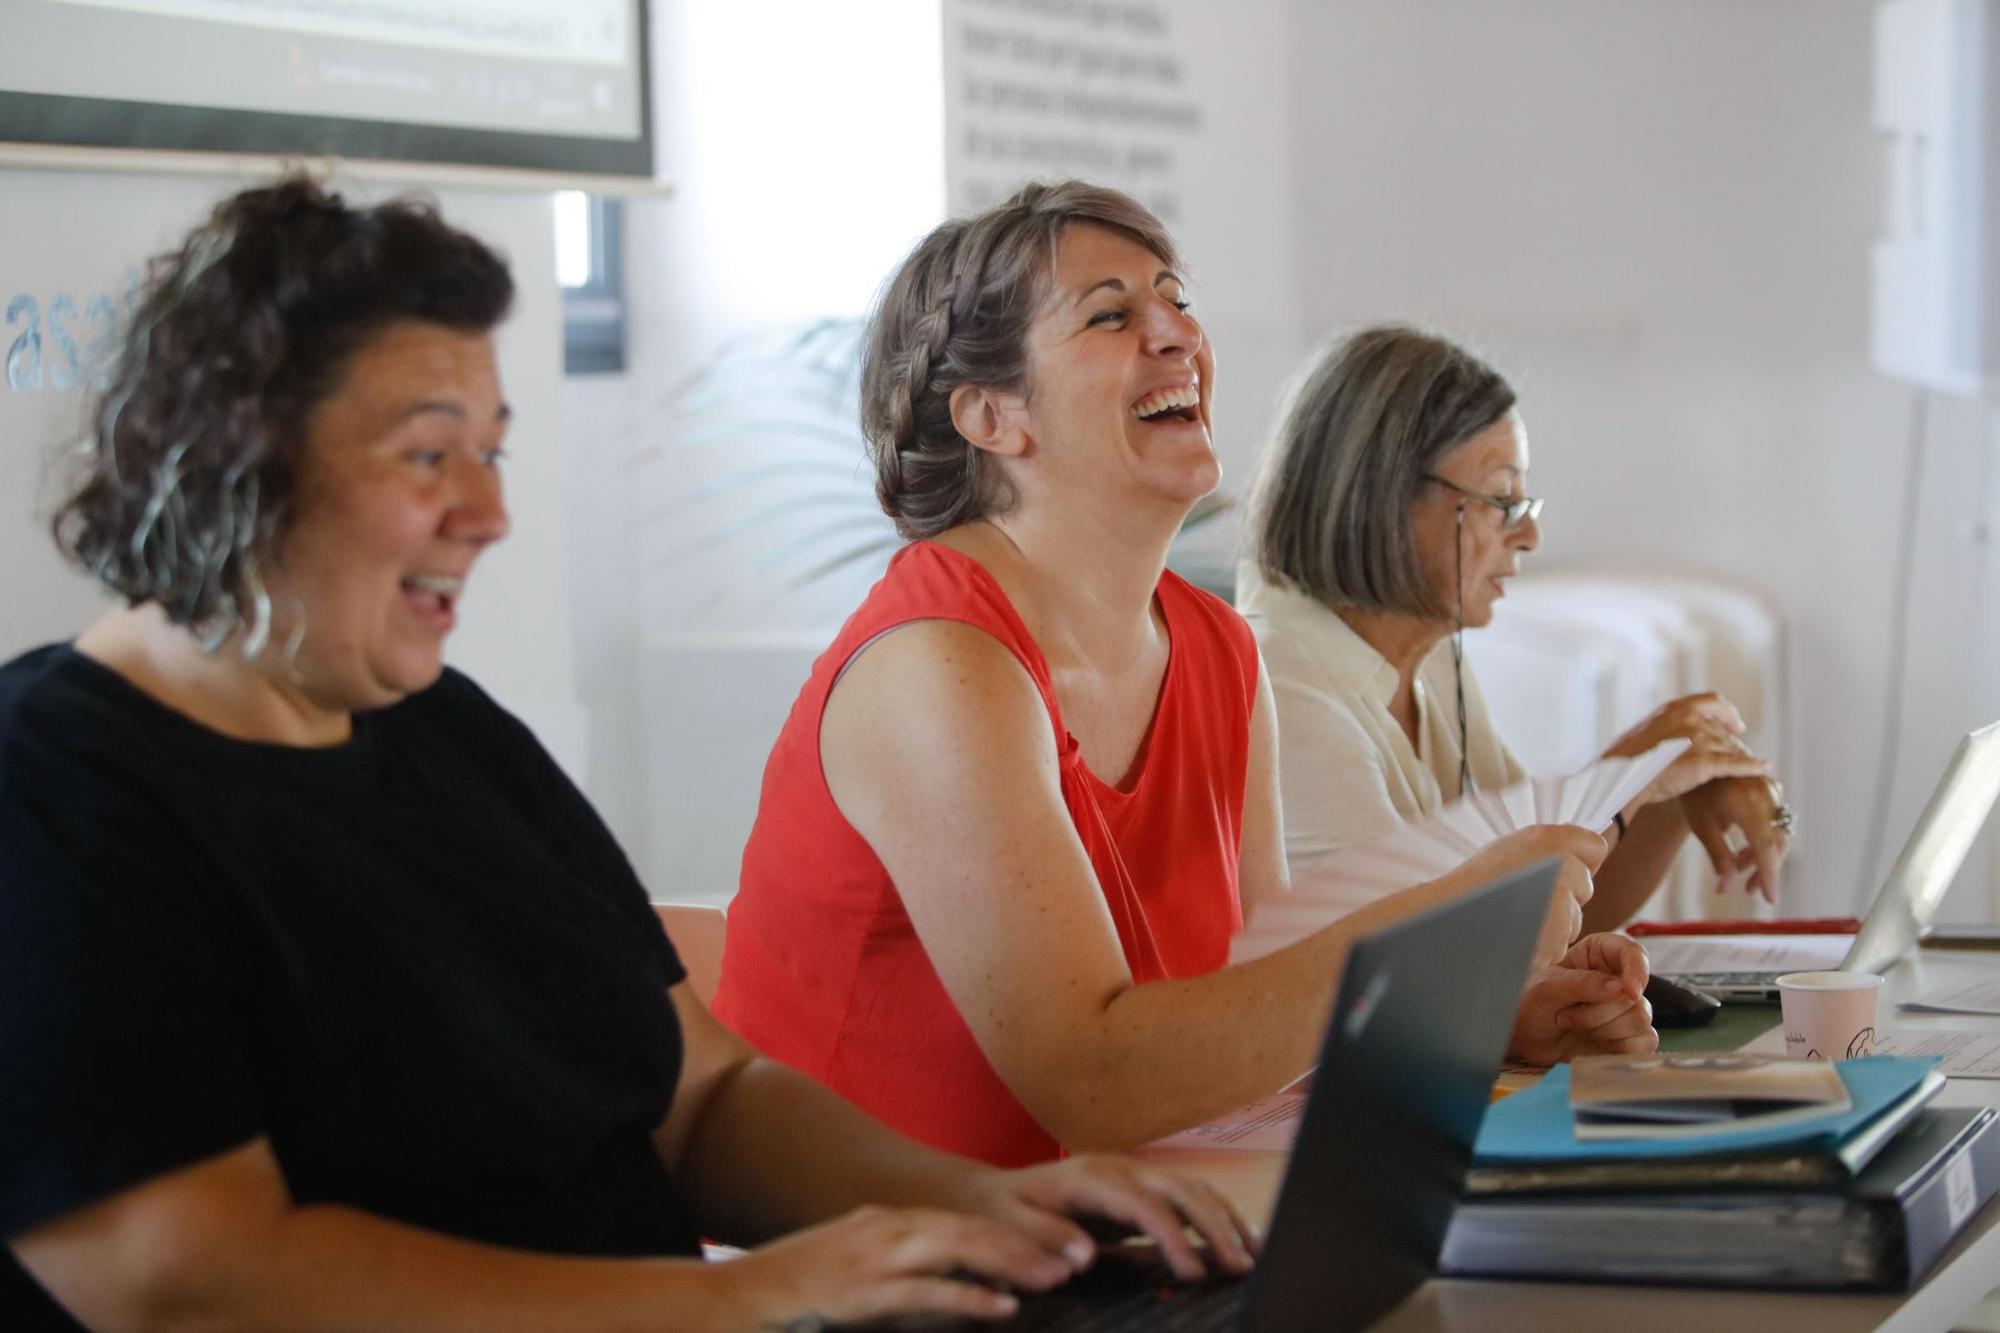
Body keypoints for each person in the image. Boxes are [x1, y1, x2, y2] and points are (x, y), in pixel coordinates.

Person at [0, 177, 1258, 1333]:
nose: (489, 514)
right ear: (239, 456)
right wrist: (743, 1297)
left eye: (490, 454)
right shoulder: (53, 789)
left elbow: (701, 1097)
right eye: (430, 455)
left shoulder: (445, 734)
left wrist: (980, 1210)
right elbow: (180, 1274)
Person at [712, 181, 1656, 1171]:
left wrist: (1479, 1019)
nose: (1176, 334)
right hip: (878, 1267)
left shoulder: (1216, 647)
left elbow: (1247, 1032)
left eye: (1174, 300)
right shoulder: (937, 664)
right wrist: (1448, 929)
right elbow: (1092, 1081)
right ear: (991, 415)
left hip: (1109, 1231)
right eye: (1112, 314)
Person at [1240, 324, 1793, 934]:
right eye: (1502, 501)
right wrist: (1626, 777)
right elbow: (1418, 955)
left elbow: (1556, 912)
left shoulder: (1430, 659)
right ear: (1383, 500)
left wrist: (1681, 780)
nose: (1528, 536)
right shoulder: (1282, 687)